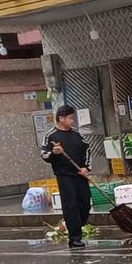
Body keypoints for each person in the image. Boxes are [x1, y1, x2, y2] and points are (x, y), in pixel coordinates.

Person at [41, 106, 92, 249]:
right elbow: (44, 154)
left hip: (79, 174)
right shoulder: (51, 135)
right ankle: (75, 238)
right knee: (71, 206)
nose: (72, 120)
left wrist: (86, 168)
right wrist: (54, 153)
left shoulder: (77, 134)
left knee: (85, 203)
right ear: (61, 118)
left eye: (72, 117)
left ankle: (74, 225)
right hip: (64, 176)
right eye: (69, 118)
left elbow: (88, 149)